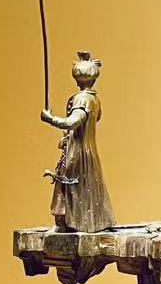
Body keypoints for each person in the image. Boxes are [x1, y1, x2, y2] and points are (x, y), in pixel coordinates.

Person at [41, 51, 115, 232]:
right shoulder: (94, 98)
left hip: (78, 150)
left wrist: (50, 118)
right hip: (87, 149)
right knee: (82, 185)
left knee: (67, 183)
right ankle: (82, 222)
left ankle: (65, 222)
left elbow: (72, 122)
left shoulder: (83, 99)